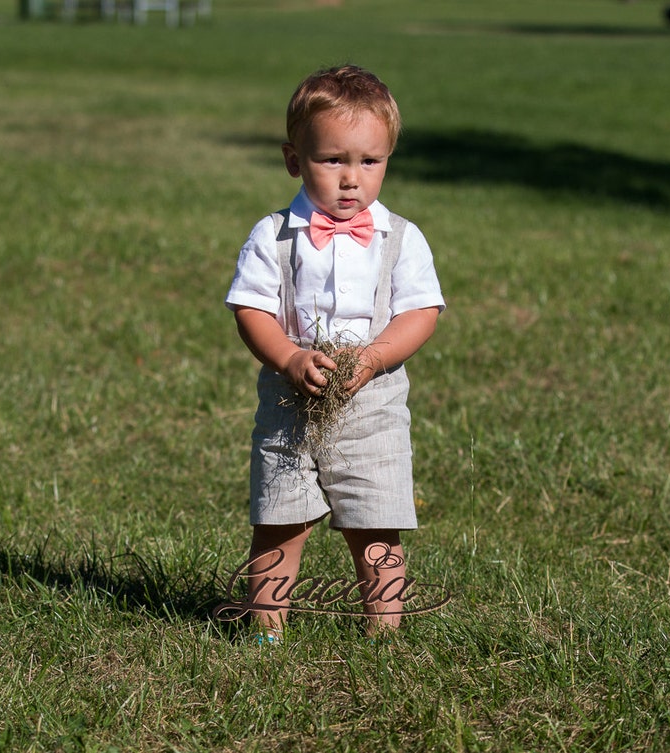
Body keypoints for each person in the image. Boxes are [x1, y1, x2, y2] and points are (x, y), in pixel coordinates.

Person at [225, 64, 445, 641]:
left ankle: (386, 635)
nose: (352, 179)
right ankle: (266, 632)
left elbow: (422, 312)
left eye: (369, 162)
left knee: (377, 523)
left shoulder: (402, 238)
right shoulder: (273, 236)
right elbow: (251, 310)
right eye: (333, 161)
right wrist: (289, 358)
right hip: (292, 401)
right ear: (294, 160)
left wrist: (372, 358)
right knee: (280, 518)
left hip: (372, 401)